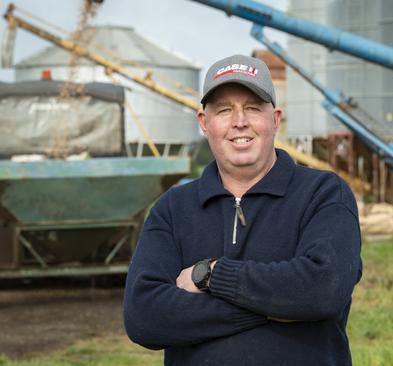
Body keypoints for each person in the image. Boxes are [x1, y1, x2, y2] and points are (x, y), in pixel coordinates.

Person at [123, 54, 363, 365]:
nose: (239, 121)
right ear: (204, 123)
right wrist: (277, 306)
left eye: (252, 107)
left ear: (275, 119)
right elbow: (144, 317)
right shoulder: (172, 209)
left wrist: (210, 275)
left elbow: (323, 288)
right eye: (224, 110)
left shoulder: (323, 194)